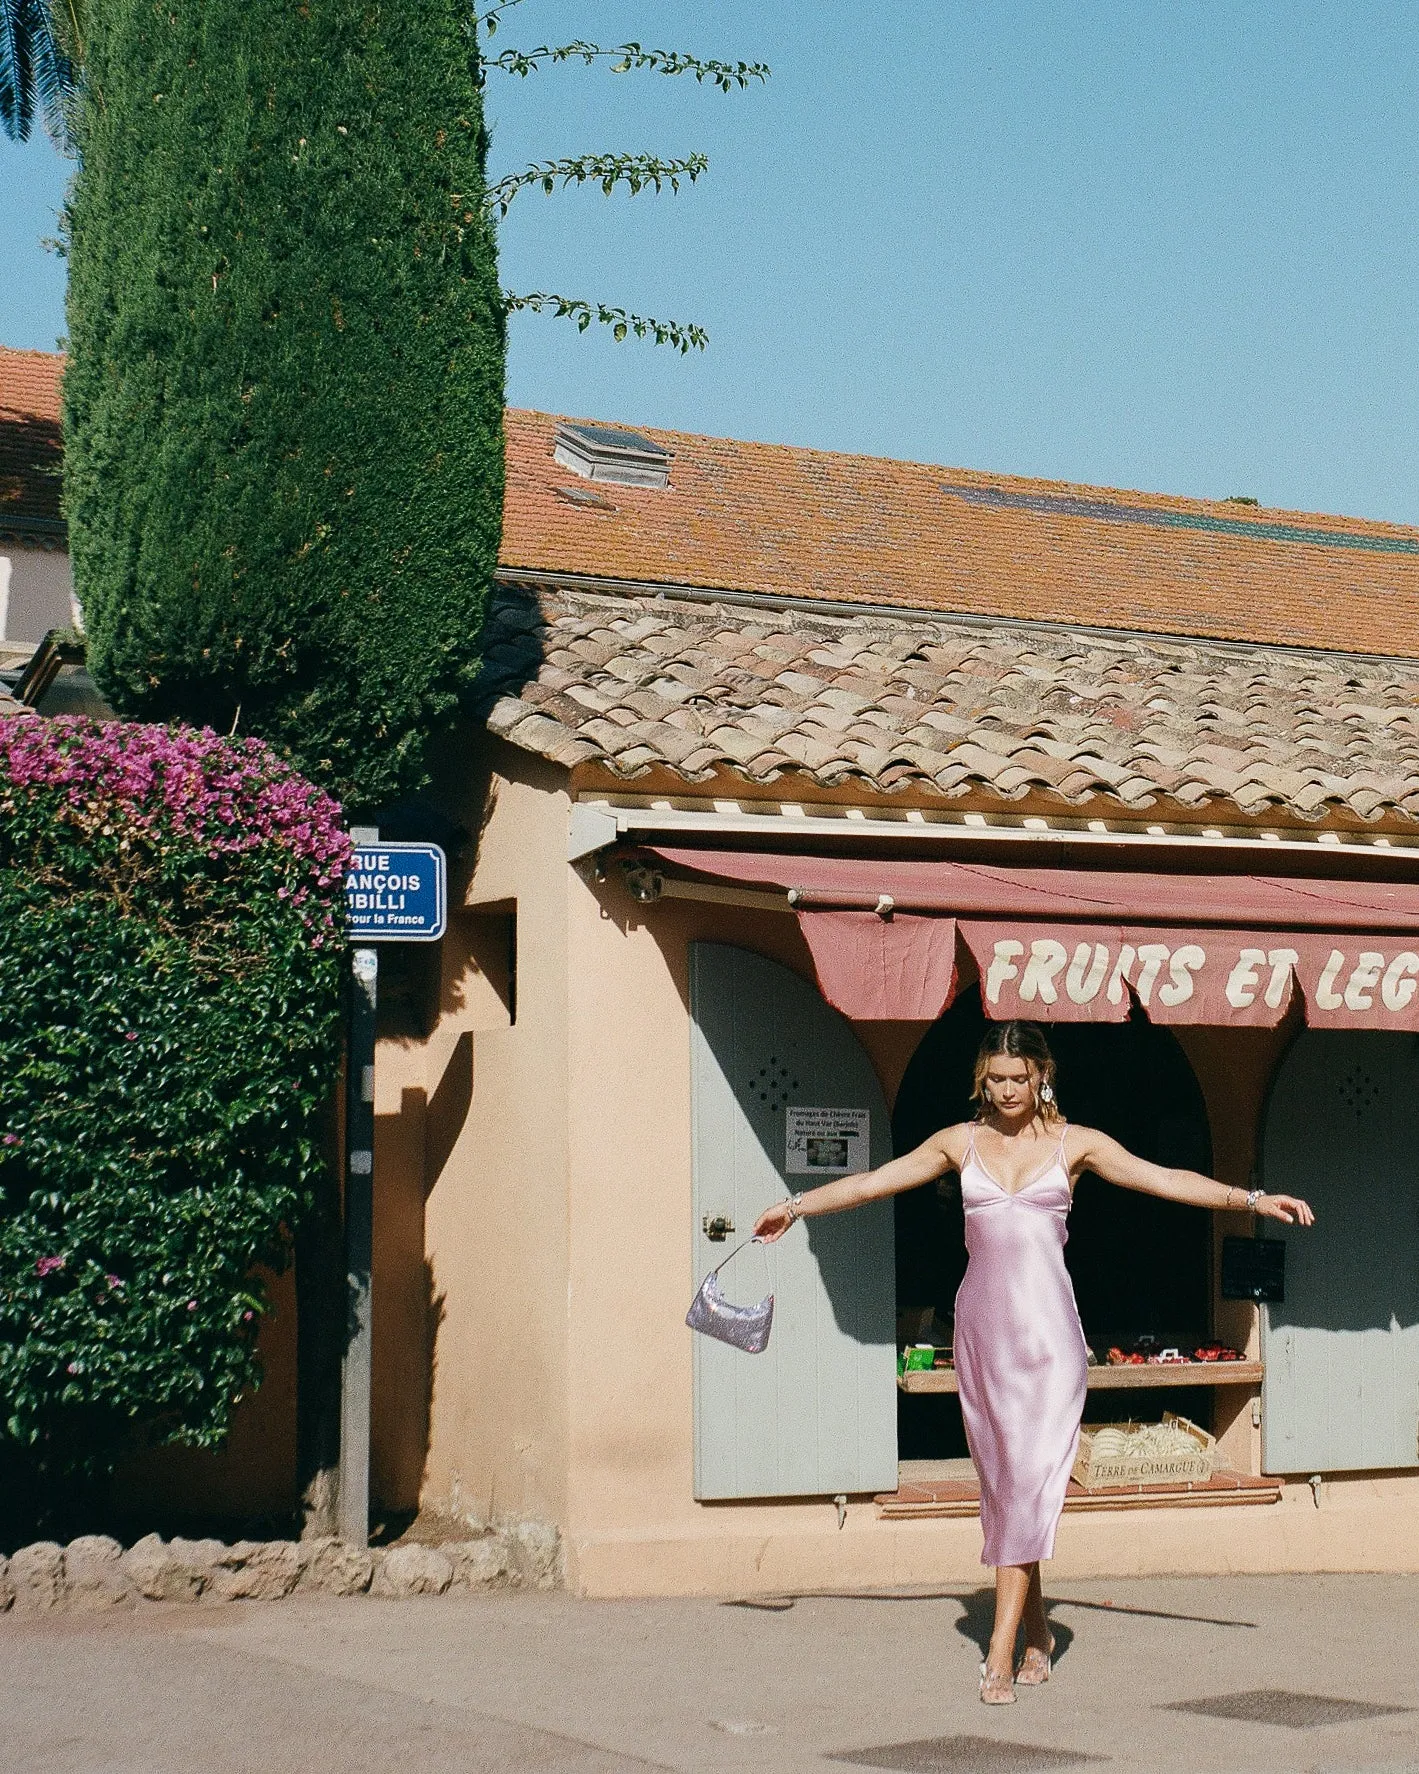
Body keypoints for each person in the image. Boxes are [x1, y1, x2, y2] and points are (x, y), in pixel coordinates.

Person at [754, 1019, 1315, 1706]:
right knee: (1006, 1489)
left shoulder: (1075, 1145)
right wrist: (794, 1206)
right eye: (993, 1078)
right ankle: (1040, 1633)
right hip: (982, 1336)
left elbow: (1162, 1179)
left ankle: (998, 1649)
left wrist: (1252, 1200)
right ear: (979, 1081)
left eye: (1018, 1077)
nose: (1006, 1089)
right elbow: (873, 1183)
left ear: (1041, 1076)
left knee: (1026, 1481)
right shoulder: (957, 1144)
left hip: (1049, 1339)